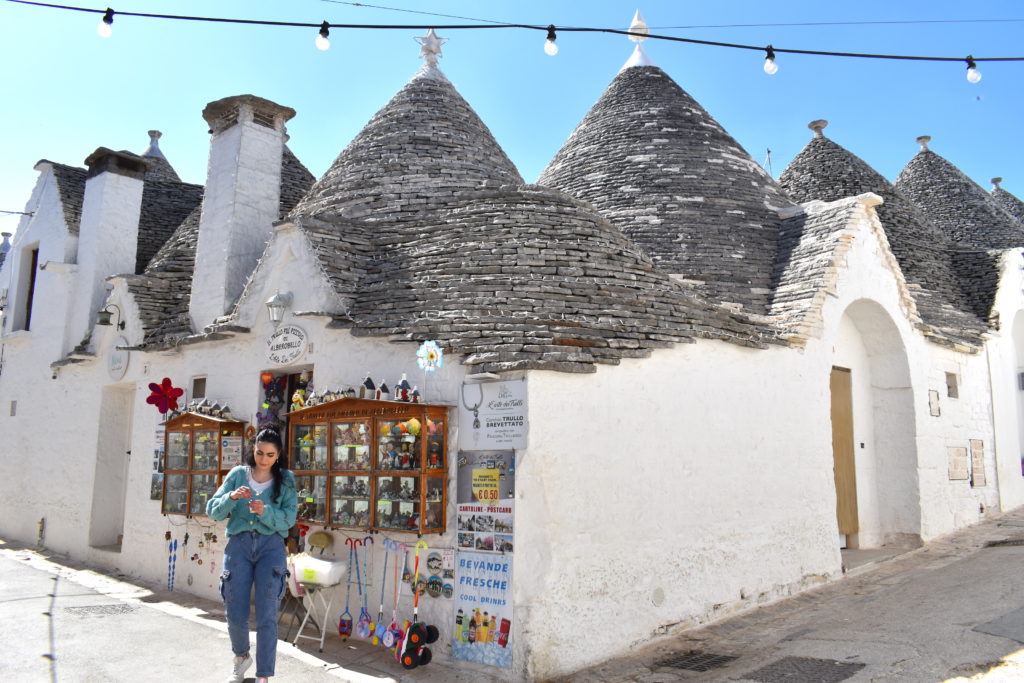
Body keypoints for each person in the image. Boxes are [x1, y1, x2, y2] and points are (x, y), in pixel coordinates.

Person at [207, 426, 297, 683]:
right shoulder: (237, 475)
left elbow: (288, 520)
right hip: (239, 545)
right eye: (259, 453)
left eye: (269, 454)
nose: (263, 459)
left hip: (271, 548)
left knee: (268, 613)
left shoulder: (286, 479)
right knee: (235, 609)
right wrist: (232, 497)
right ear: (253, 450)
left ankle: (264, 675)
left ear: (278, 455)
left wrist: (265, 511)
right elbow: (213, 510)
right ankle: (241, 657)